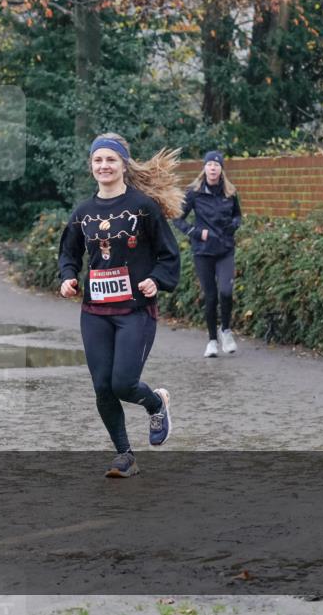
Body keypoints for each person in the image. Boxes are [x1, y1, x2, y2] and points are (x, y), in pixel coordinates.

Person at [57, 133, 182, 478]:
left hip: (135, 310)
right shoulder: (83, 212)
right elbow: (69, 253)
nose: (104, 166)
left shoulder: (143, 206)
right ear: (91, 166)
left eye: (111, 159)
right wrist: (67, 276)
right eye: (98, 160)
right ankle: (124, 454)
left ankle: (156, 403)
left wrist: (156, 279)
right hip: (95, 311)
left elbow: (169, 255)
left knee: (123, 383)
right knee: (102, 387)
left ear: (124, 164)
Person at [172, 150, 242, 357]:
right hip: (203, 252)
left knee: (226, 292)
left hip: (225, 249)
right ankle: (212, 340)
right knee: (211, 297)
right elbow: (177, 218)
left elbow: (238, 214)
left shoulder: (230, 192)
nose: (213, 168)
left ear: (221, 169)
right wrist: (195, 232)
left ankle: (226, 330)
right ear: (204, 168)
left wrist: (234, 224)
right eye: (209, 164)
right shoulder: (194, 192)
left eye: (216, 165)